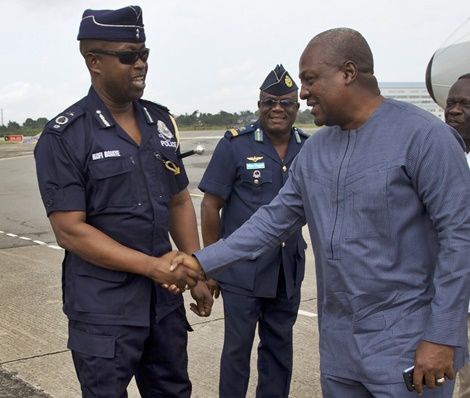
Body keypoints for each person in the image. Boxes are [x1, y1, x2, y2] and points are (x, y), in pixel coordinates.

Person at [172, 28, 470, 397]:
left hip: (408, 345)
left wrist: (442, 335)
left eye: (310, 80)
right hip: (339, 348)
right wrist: (201, 262)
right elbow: (270, 223)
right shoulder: (316, 151)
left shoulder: (425, 138)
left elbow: (460, 238)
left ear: (347, 73)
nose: (304, 93)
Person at [34, 6, 211, 397]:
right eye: (128, 56)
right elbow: (70, 231)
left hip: (163, 305)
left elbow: (179, 200)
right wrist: (153, 267)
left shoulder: (159, 123)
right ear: (94, 61)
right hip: (103, 311)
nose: (141, 64)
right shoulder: (65, 136)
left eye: (145, 53)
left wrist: (196, 268)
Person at [199, 64, 308, 397]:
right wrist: (212, 267)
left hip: (286, 271)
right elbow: (210, 205)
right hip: (242, 273)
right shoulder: (236, 145)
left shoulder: (309, 147)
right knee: (237, 352)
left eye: (285, 103)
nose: (276, 109)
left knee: (279, 351)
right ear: (259, 105)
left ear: (296, 107)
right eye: (268, 102)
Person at [445, 74, 470, 398]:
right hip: (445, 302)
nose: (454, 110)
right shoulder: (435, 156)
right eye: (451, 103)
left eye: (465, 104)